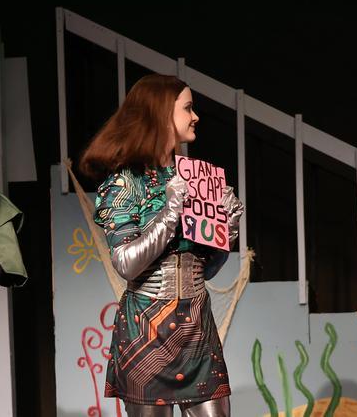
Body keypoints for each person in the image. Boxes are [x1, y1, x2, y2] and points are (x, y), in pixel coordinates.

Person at [80, 74, 243, 417]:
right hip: (147, 330)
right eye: (188, 108)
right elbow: (126, 264)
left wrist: (227, 227)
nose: (195, 116)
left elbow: (205, 269)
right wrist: (170, 212)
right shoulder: (125, 182)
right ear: (161, 113)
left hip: (197, 327)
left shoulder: (192, 177)